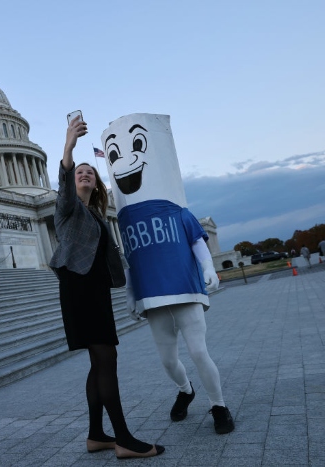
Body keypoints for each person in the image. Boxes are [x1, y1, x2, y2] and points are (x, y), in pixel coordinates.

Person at [100, 113, 234, 435]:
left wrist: (207, 267)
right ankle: (186, 390)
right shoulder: (127, 220)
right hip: (153, 295)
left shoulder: (177, 209)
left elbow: (195, 240)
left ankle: (219, 406)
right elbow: (132, 260)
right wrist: (132, 295)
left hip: (183, 286)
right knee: (167, 361)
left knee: (199, 351)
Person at [49, 115, 164, 459]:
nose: (84, 174)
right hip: (79, 288)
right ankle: (124, 438)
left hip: (92, 289)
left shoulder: (97, 217)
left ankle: (97, 434)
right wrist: (70, 144)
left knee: (99, 362)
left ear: (97, 184)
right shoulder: (67, 209)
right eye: (80, 172)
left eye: (90, 173)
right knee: (106, 358)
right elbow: (65, 179)